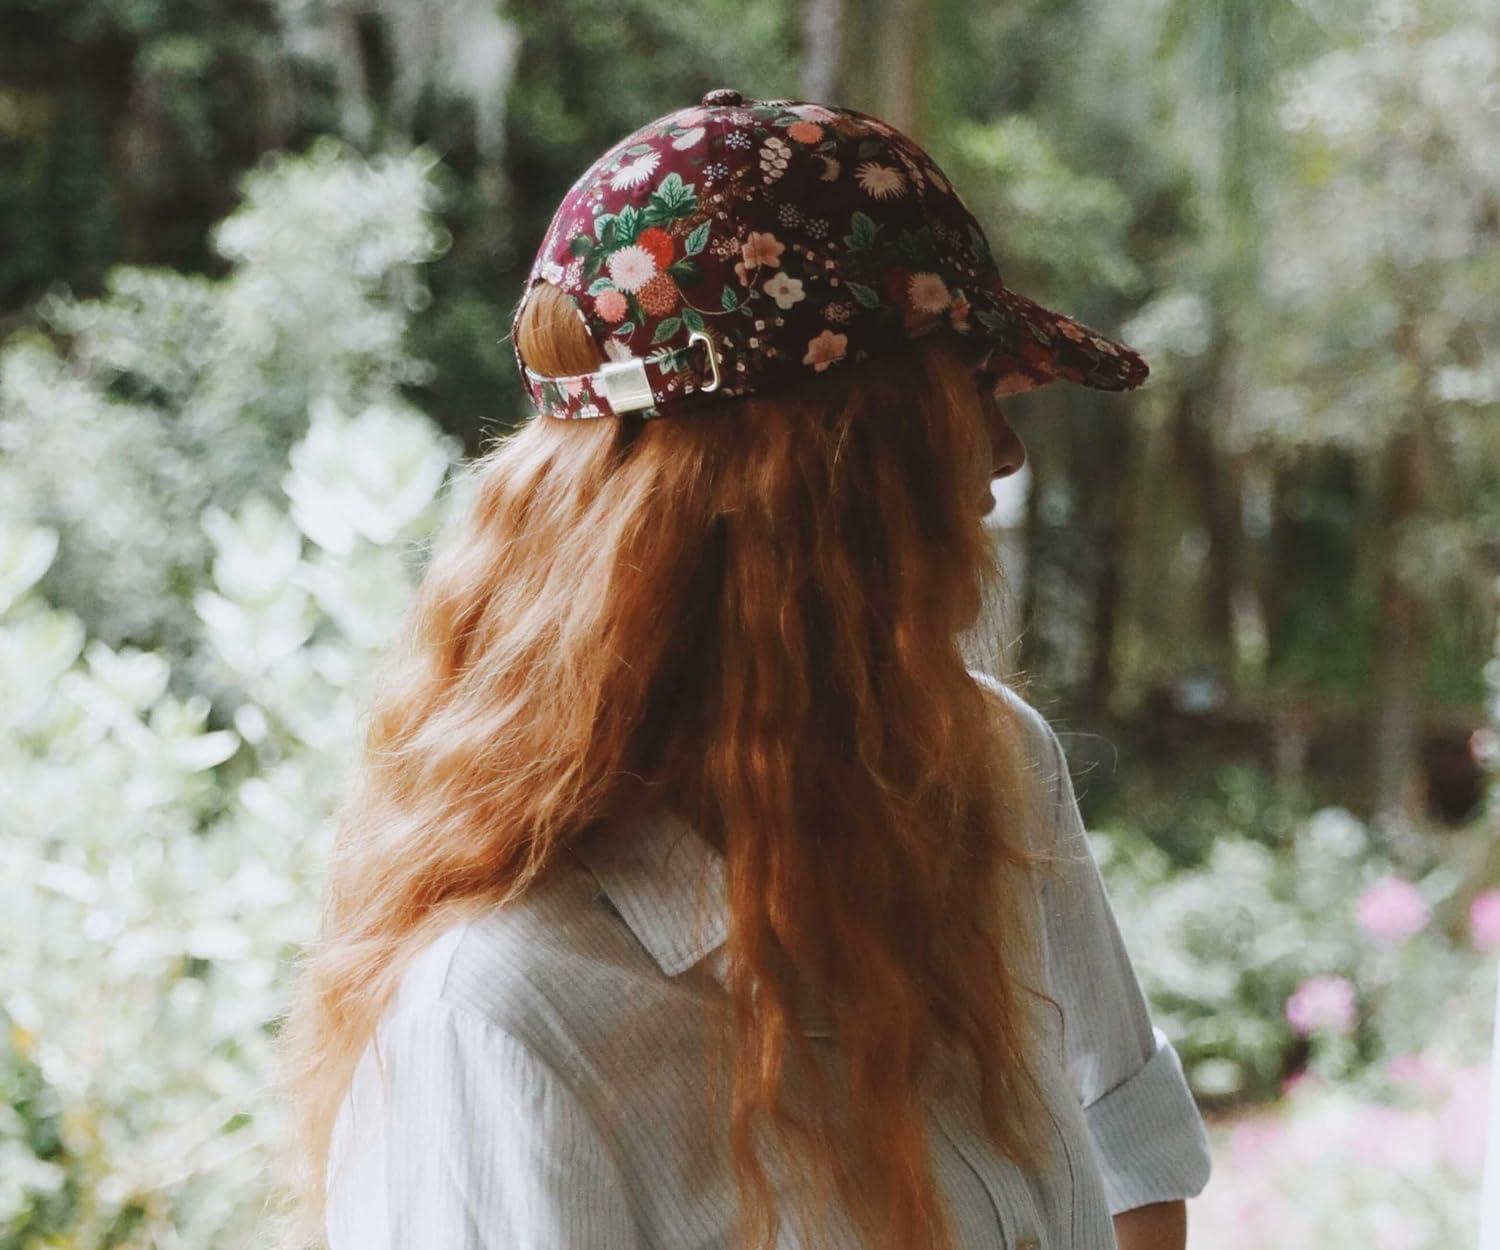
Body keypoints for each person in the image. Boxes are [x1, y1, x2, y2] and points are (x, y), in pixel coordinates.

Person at [276, 89, 1212, 1250]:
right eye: (971, 388)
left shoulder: (991, 765)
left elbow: (1132, 1143)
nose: (1005, 451)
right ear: (835, 471)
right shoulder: (506, 1014)